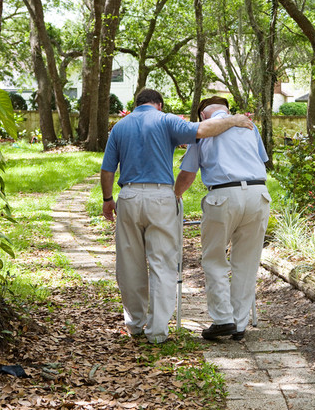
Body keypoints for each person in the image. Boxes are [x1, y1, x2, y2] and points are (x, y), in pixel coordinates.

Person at [101, 89, 253, 344]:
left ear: (136, 104)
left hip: (127, 196)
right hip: (160, 196)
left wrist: (108, 200)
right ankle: (158, 331)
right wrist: (234, 120)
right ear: (158, 104)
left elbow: (107, 169)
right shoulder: (166, 119)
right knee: (162, 264)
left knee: (129, 263)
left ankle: (135, 324)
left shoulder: (119, 127)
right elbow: (203, 130)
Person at [174, 96, 270, 341]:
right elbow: (262, 160)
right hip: (259, 193)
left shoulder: (203, 130)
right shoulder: (249, 125)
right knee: (247, 262)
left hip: (223, 195)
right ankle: (239, 324)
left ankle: (223, 319)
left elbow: (188, 174)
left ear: (202, 115)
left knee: (215, 258)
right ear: (227, 110)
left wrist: (174, 196)